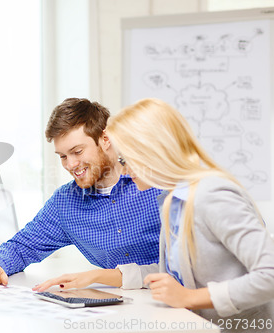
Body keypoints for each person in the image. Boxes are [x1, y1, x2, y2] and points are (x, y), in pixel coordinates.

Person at [105, 98, 274, 331]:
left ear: (151, 150)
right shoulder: (172, 201)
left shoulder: (211, 194)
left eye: (125, 159)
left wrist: (188, 298)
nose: (123, 170)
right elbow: (185, 276)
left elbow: (270, 274)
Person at [0, 98, 162, 290]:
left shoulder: (157, 182)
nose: (70, 165)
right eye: (63, 156)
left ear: (105, 140)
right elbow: (23, 245)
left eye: (77, 151)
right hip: (121, 305)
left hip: (174, 303)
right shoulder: (66, 203)